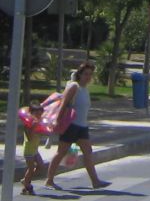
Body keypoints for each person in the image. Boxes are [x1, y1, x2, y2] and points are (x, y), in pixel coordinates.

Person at [45, 62, 111, 191]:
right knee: (61, 152)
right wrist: (57, 121)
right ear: (79, 74)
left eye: (90, 74)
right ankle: (49, 180)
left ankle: (95, 181)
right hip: (71, 126)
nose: (88, 77)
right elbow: (63, 104)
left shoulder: (85, 89)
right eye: (86, 74)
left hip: (82, 127)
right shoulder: (74, 87)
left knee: (88, 152)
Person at [20, 102, 45, 195]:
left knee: (41, 166)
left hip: (35, 149)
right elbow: (30, 138)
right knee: (31, 168)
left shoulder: (39, 123)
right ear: (31, 114)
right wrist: (33, 127)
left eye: (40, 114)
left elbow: (40, 135)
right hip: (29, 150)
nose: (39, 116)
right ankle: (26, 184)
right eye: (37, 114)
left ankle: (25, 181)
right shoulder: (28, 125)